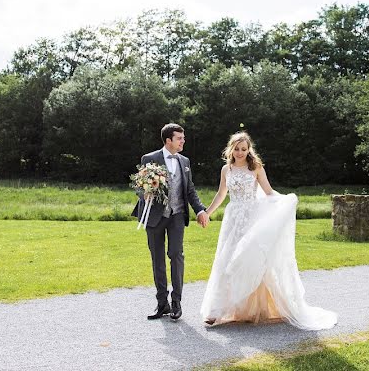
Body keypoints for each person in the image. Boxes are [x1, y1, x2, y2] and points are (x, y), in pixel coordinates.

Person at [199, 131, 337, 329]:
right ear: (231, 149)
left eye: (243, 149)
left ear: (249, 150)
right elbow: (221, 194)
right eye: (236, 149)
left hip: (251, 217)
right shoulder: (226, 169)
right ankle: (217, 311)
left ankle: (256, 307)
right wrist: (207, 212)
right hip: (232, 220)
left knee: (251, 259)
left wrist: (286, 201)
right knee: (226, 259)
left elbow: (268, 192)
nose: (240, 152)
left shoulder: (255, 167)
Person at [133, 123, 209, 321]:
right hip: (155, 217)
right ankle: (162, 303)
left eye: (183, 138)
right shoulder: (149, 159)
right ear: (168, 140)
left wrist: (200, 209)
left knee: (176, 255)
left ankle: (176, 302)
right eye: (179, 138)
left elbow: (189, 190)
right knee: (157, 259)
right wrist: (146, 193)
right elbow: (139, 187)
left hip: (177, 215)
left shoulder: (185, 161)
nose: (183, 141)